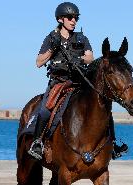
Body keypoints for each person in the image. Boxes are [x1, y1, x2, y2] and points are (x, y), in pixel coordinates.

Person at [28, 2, 127, 160]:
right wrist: (53, 48)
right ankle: (38, 142)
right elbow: (39, 62)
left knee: (104, 107)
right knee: (45, 109)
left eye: (76, 18)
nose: (73, 20)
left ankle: (113, 143)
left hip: (79, 82)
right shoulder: (51, 37)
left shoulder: (81, 37)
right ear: (60, 19)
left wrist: (78, 58)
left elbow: (90, 57)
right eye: (70, 17)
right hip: (59, 82)